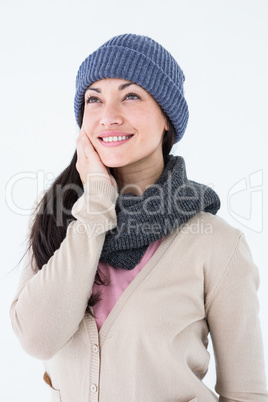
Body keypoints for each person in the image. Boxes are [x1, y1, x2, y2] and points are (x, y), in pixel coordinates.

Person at [10, 34, 267, 402]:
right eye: (94, 99)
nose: (109, 116)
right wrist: (96, 202)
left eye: (131, 96)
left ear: (167, 118)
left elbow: (247, 395)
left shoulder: (218, 245)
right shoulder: (58, 217)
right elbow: (37, 338)